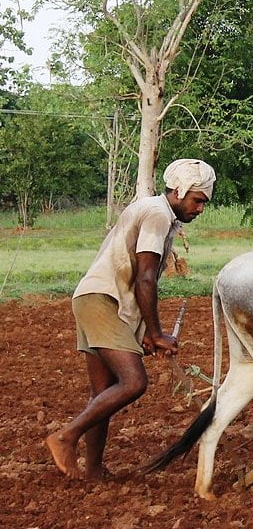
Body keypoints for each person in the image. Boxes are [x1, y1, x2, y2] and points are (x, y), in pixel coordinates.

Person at [46, 159, 216, 480]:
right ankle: (65, 436)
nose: (200, 209)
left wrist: (146, 335)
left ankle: (94, 468)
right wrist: (157, 333)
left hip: (94, 298)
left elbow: (138, 281)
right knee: (134, 382)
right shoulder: (157, 215)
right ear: (178, 192)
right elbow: (145, 279)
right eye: (198, 201)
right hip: (102, 301)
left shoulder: (154, 211)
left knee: (103, 393)